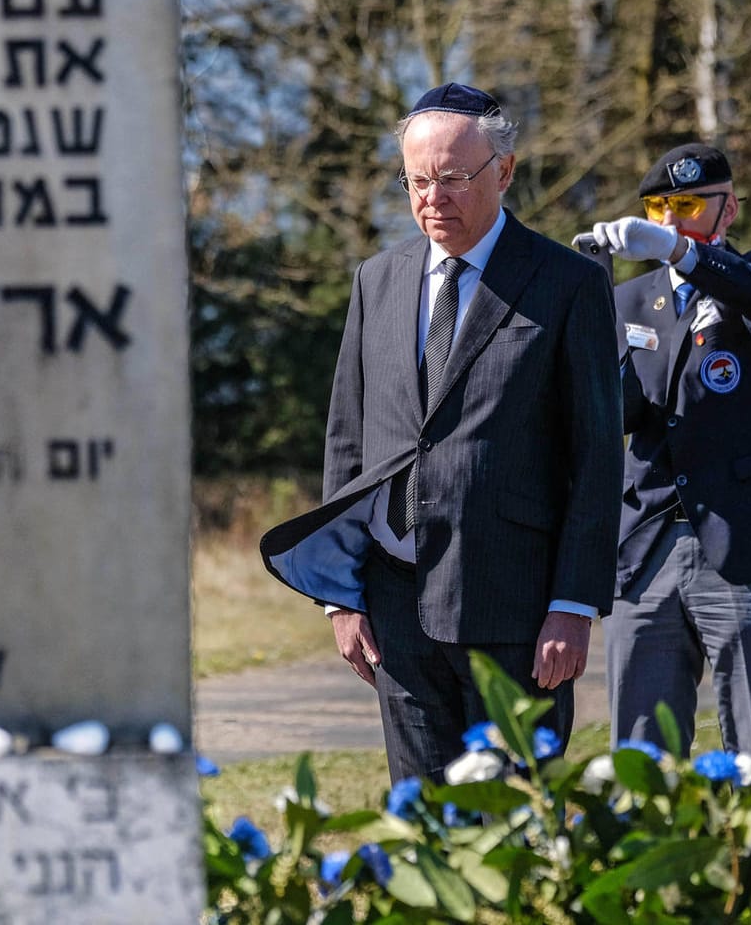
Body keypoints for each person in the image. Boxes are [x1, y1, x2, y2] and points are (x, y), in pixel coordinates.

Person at [261, 84, 622, 781]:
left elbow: (596, 458)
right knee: (421, 825)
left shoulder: (568, 283)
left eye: (454, 178)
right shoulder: (377, 279)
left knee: (516, 826)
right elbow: (348, 442)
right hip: (398, 606)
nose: (433, 197)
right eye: (417, 180)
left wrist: (573, 606)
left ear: (505, 172)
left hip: (516, 609)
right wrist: (343, 595)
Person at [583, 143, 751, 792]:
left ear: (729, 208)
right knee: (640, 761)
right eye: (659, 207)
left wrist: (683, 255)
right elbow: (614, 413)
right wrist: (585, 303)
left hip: (744, 542)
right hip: (646, 547)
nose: (670, 219)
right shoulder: (631, 302)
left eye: (688, 205)